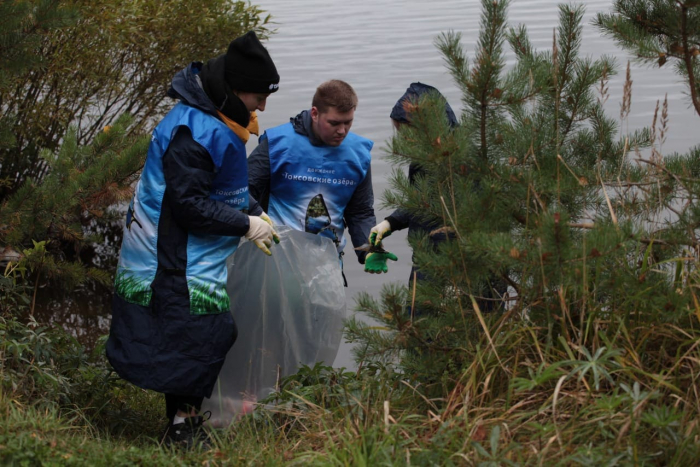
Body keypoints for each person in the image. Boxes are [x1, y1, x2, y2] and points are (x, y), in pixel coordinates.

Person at [106, 30, 280, 449]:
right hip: (166, 250)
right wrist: (244, 226)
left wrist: (255, 210)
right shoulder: (191, 132)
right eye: (259, 97)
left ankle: (183, 418)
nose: (262, 106)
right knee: (205, 332)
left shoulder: (218, 118)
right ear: (237, 90)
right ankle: (181, 429)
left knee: (198, 332)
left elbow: (226, 187)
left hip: (187, 247)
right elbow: (189, 205)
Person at [369, 82, 505, 314]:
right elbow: (424, 203)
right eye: (400, 133)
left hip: (461, 267)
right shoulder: (423, 160)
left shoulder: (464, 162)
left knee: (472, 338)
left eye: (409, 133)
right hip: (429, 261)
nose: (404, 141)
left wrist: (451, 279)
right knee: (420, 334)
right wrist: (389, 223)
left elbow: (472, 223)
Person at [248, 79, 397, 279]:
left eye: (348, 122)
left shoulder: (358, 154)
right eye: (334, 123)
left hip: (326, 266)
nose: (342, 130)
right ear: (315, 113)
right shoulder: (277, 144)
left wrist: (368, 249)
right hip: (275, 260)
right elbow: (243, 190)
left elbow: (360, 211)